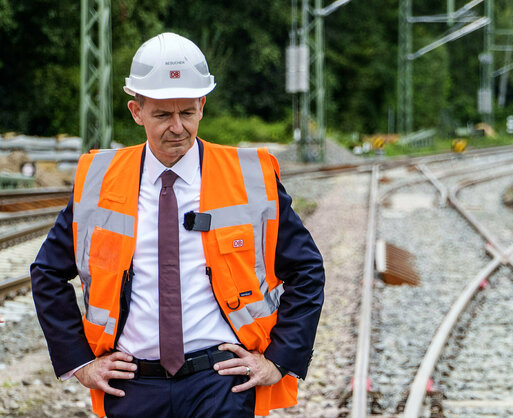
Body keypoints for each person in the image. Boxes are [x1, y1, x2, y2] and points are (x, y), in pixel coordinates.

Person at [30, 32, 325, 417]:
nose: (178, 127)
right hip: (132, 386)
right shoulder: (100, 181)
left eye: (187, 112)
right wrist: (80, 362)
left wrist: (279, 359)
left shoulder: (250, 177)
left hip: (221, 382)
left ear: (202, 105)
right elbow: (47, 272)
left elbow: (306, 269)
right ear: (137, 111)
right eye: (162, 115)